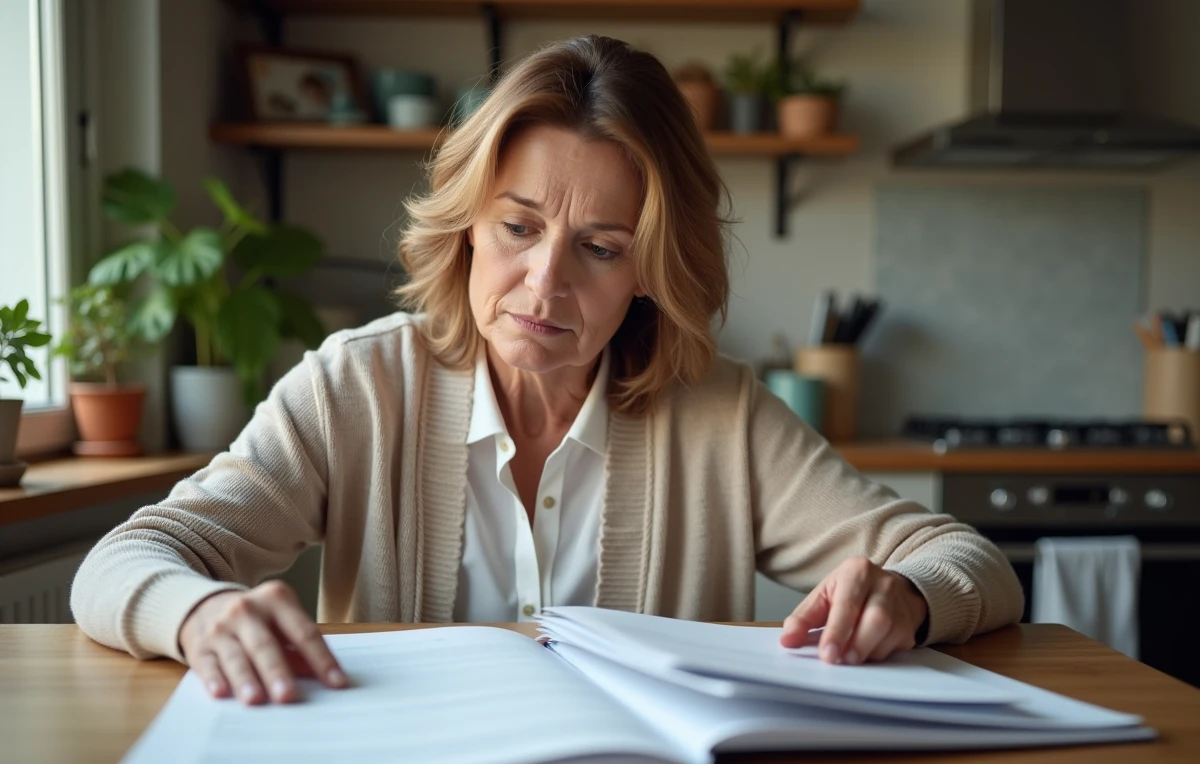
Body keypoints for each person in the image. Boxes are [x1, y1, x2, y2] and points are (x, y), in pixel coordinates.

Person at [71, 35, 1023, 706]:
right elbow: (122, 561)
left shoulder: (723, 416)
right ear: (468, 227)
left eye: (601, 248)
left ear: (650, 272)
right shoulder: (357, 387)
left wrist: (909, 596)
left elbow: (974, 564)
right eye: (519, 228)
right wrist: (197, 614)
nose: (546, 283)